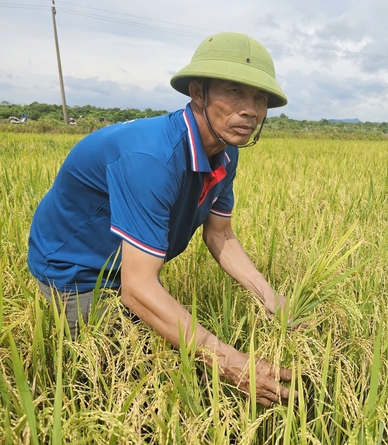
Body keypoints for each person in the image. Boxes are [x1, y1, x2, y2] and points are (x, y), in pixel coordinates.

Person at [28, 32, 294, 407]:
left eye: (260, 98)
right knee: (126, 382)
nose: (250, 109)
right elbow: (138, 289)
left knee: (180, 355)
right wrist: (232, 363)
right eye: (235, 92)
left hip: (130, 266)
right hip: (77, 271)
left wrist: (272, 300)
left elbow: (221, 236)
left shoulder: (226, 154)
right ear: (197, 93)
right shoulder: (150, 157)